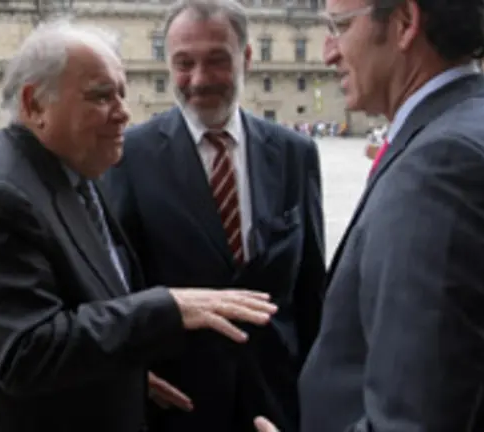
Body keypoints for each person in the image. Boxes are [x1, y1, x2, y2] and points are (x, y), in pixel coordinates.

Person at [0, 19, 277, 432]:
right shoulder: (1, 196)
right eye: (101, 96)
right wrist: (167, 307)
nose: (123, 112)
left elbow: (85, 302)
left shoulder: (69, 165)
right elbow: (24, 351)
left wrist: (125, 373)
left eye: (122, 92)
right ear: (35, 105)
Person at [253, 0, 484, 429]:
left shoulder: (443, 164)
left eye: (340, 27)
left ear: (404, 23)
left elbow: (413, 420)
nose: (328, 52)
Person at [103, 0, 326, 430]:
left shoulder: (295, 154)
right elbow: (114, 288)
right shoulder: (129, 158)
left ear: (246, 58)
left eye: (217, 60)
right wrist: (127, 373)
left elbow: (312, 286)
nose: (200, 80)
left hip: (276, 398)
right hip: (177, 403)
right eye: (184, 63)